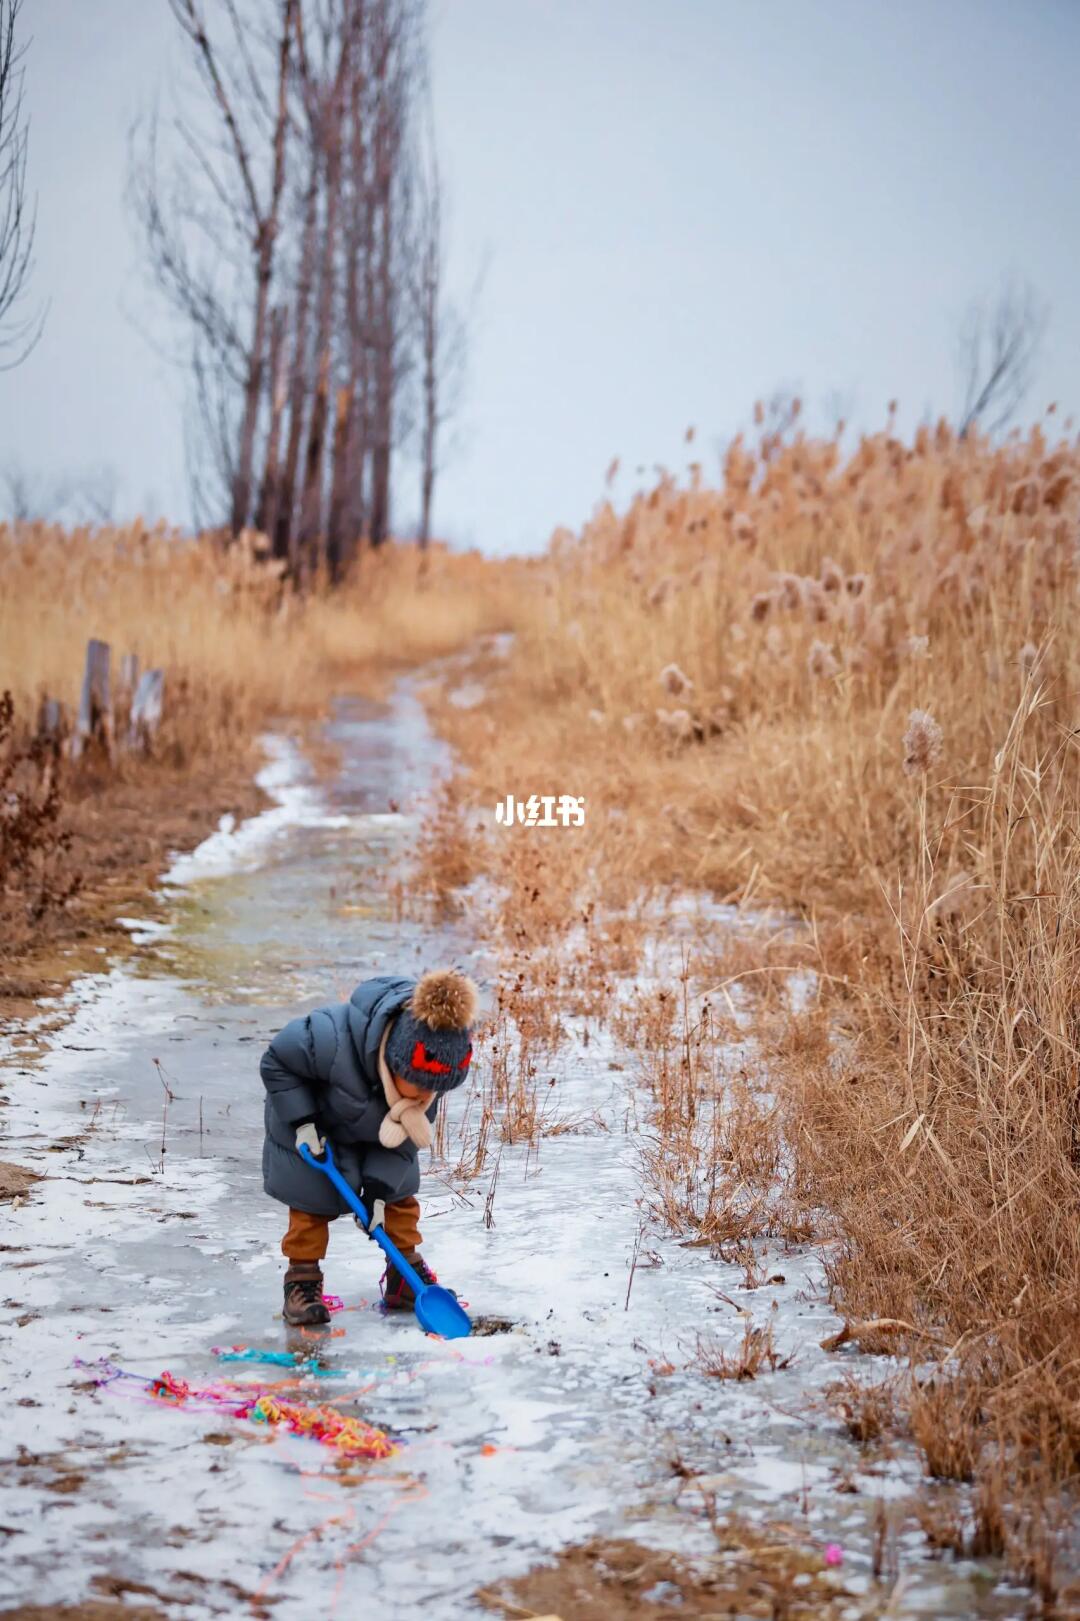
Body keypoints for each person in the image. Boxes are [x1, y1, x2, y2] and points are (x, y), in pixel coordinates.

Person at [260, 968, 478, 1326]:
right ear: (396, 1059)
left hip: (372, 1128)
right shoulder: (331, 1038)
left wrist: (376, 1191)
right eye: (420, 1085)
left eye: (435, 1090)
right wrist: (302, 1121)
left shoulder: (423, 1093)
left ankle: (403, 1275)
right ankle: (302, 1281)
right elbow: (278, 1061)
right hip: (315, 1123)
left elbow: (400, 1149)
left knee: (400, 1195)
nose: (427, 1096)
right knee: (310, 1201)